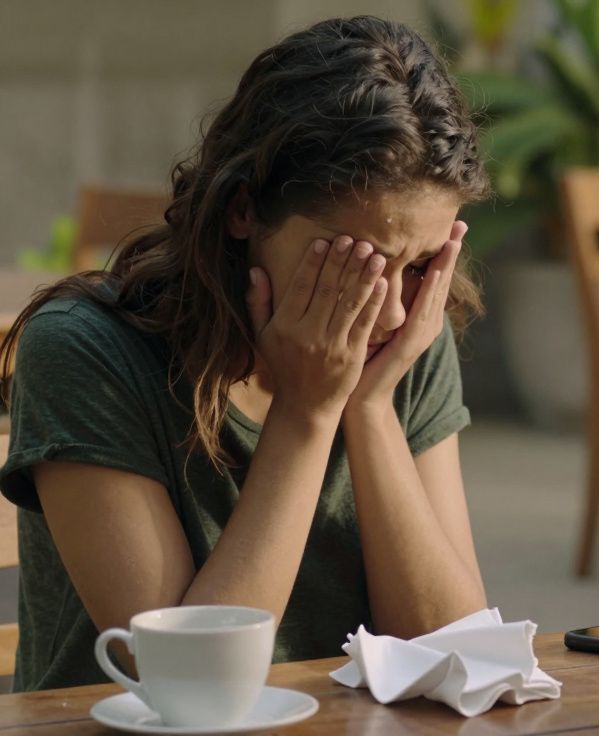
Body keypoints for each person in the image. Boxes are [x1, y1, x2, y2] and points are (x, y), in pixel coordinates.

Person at [0, 16, 489, 691]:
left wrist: (370, 406)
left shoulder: (403, 343)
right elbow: (183, 681)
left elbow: (453, 656)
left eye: (421, 265)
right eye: (359, 264)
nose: (394, 310)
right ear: (242, 212)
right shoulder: (87, 352)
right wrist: (307, 413)